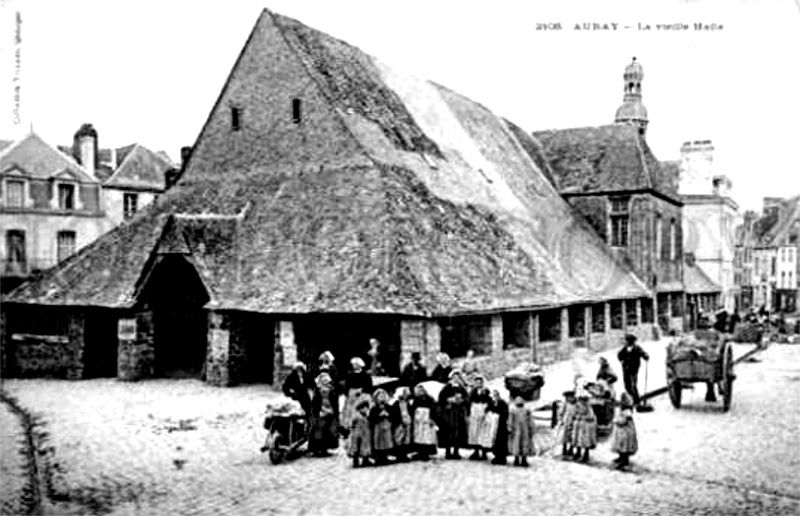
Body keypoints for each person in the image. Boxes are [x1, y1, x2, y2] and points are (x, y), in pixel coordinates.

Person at [438, 370, 468, 459]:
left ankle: (456, 451)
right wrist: (449, 400)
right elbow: (441, 398)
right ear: (451, 378)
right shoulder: (447, 387)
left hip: (459, 412)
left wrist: (461, 400)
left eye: (458, 377)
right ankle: (448, 452)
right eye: (454, 377)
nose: (456, 379)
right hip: (449, 412)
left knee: (458, 431)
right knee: (448, 430)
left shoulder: (461, 388)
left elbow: (466, 398)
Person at [308, 372, 339, 457]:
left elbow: (335, 401)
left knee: (328, 432)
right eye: (323, 381)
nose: (325, 382)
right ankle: (316, 450)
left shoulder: (331, 389)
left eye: (326, 381)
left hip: (329, 412)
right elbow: (314, 403)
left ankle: (324, 449)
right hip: (320, 413)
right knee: (318, 432)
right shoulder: (317, 390)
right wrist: (315, 413)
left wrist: (335, 411)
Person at [341, 357, 373, 432]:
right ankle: (348, 426)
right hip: (351, 395)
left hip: (363, 396)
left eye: (355, 364)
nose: (353, 366)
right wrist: (347, 393)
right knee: (349, 411)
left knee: (360, 410)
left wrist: (362, 391)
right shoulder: (350, 375)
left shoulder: (366, 375)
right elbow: (347, 386)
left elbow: (369, 387)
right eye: (353, 364)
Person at [617, 334, 650, 405]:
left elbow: (643, 354)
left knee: (633, 385)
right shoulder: (625, 348)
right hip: (625, 369)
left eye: (626, 341)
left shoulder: (637, 348)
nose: (625, 342)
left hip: (633, 370)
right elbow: (619, 355)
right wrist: (621, 360)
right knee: (627, 385)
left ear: (630, 341)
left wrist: (646, 356)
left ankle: (637, 400)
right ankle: (630, 400)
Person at [611, 392, 639, 470]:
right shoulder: (623, 411)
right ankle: (621, 457)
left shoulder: (627, 412)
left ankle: (625, 460)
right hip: (621, 432)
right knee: (620, 445)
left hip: (626, 433)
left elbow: (622, 421)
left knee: (625, 446)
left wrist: (616, 421)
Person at [410, 383, 438, 460]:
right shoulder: (416, 399)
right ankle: (420, 452)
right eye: (419, 390)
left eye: (422, 390)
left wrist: (432, 418)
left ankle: (426, 453)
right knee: (419, 436)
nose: (420, 391)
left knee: (427, 436)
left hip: (427, 418)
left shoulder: (430, 399)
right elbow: (413, 409)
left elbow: (433, 409)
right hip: (418, 420)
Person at [467, 375, 491, 460]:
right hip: (474, 411)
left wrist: (486, 411)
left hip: (483, 410)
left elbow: (489, 401)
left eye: (480, 382)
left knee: (483, 432)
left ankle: (484, 452)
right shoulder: (472, 392)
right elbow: (469, 402)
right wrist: (469, 413)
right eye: (476, 382)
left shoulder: (486, 391)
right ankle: (476, 451)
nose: (478, 384)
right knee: (474, 432)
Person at [507, 396, 535, 467]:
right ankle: (516, 459)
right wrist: (510, 428)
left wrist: (531, 429)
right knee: (516, 444)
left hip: (525, 430)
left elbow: (530, 420)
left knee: (525, 444)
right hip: (516, 430)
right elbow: (510, 420)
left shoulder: (527, 411)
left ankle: (524, 459)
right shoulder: (513, 411)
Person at [369, 388, 394, 465]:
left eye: (383, 396)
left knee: (386, 441)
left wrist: (388, 415)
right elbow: (371, 418)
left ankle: (385, 456)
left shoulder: (388, 406)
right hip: (378, 427)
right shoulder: (374, 408)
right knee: (379, 442)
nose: (382, 398)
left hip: (386, 426)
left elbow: (393, 416)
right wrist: (379, 416)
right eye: (380, 396)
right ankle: (378, 457)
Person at [571, 389, 597, 463]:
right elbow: (574, 413)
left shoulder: (589, 407)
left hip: (586, 425)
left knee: (586, 440)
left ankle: (586, 454)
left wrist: (584, 417)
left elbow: (591, 416)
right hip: (578, 425)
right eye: (580, 399)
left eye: (584, 399)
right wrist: (576, 416)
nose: (582, 401)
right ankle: (578, 452)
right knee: (578, 438)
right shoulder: (577, 405)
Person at [486, 390, 509, 465]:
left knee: (501, 441)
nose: (495, 397)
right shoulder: (492, 403)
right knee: (494, 440)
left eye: (496, 395)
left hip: (501, 425)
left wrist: (498, 414)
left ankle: (502, 457)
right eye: (494, 395)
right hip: (494, 424)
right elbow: (487, 409)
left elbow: (505, 413)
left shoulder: (503, 403)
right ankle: (496, 456)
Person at [348, 399, 373, 468]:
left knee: (365, 448)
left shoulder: (367, 416)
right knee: (356, 448)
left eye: (367, 408)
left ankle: (365, 460)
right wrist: (352, 430)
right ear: (360, 409)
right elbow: (351, 424)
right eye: (364, 408)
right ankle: (355, 461)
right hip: (357, 434)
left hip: (365, 435)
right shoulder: (357, 416)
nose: (365, 410)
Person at [391, 386, 413, 462]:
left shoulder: (408, 403)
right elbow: (394, 413)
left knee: (406, 439)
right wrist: (399, 420)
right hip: (399, 422)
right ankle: (399, 455)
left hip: (407, 421)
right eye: (404, 393)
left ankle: (404, 454)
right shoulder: (396, 403)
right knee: (399, 439)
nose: (405, 395)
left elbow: (410, 411)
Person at [557, 390, 578, 459]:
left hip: (575, 421)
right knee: (565, 436)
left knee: (573, 436)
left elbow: (579, 411)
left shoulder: (577, 403)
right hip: (566, 421)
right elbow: (561, 412)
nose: (569, 398)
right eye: (567, 397)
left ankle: (571, 449)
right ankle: (564, 449)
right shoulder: (565, 403)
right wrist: (560, 419)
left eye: (571, 397)